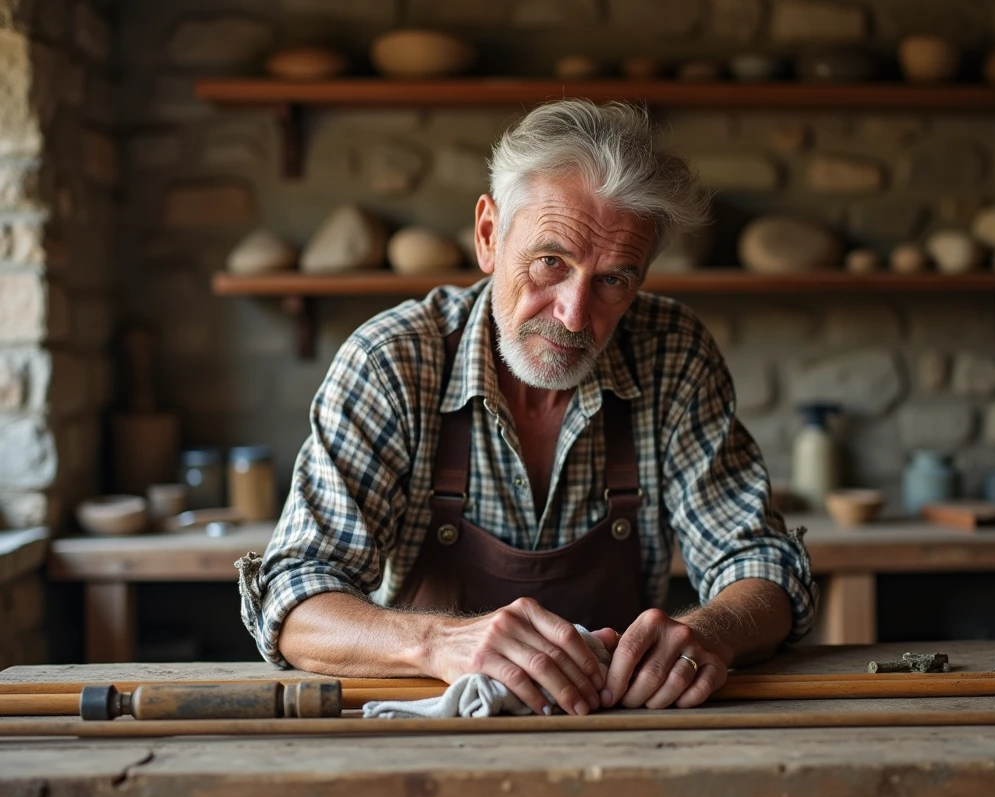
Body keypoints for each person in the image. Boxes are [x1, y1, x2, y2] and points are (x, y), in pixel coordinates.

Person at [237, 99, 817, 716]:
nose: (573, 315)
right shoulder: (391, 363)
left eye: (613, 280)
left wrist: (709, 634)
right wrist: (437, 642)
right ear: (489, 236)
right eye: (550, 263)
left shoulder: (672, 355)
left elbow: (762, 566)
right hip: (434, 732)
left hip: (618, 728)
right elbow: (294, 601)